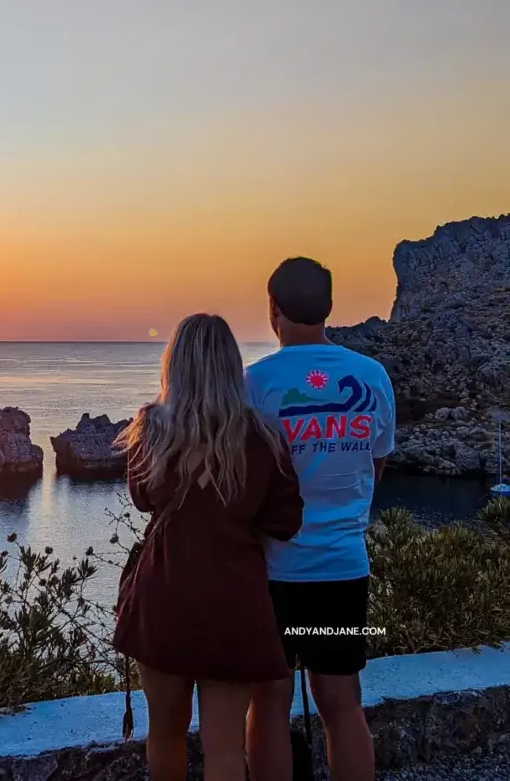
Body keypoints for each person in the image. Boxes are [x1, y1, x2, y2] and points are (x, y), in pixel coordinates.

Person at [112, 313, 304, 781]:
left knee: (164, 736)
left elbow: (141, 499)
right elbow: (285, 522)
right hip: (235, 605)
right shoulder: (262, 437)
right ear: (231, 366)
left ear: (173, 365)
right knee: (224, 748)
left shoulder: (150, 428)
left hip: (164, 601)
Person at [245, 257, 396, 781]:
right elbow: (374, 467)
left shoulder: (254, 384)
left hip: (273, 575)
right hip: (343, 568)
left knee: (267, 703)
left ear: (274, 310)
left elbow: (241, 483)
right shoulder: (372, 377)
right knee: (341, 703)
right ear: (330, 308)